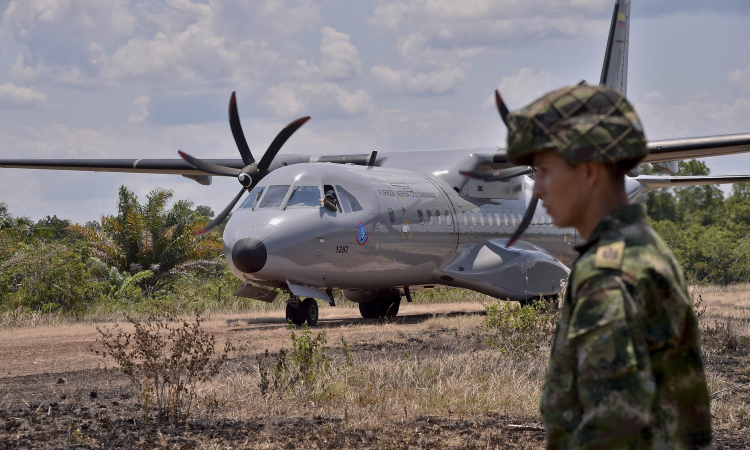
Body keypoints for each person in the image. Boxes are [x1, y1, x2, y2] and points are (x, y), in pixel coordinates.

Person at [505, 84, 712, 449]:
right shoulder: (639, 249)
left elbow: (612, 424)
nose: (536, 189)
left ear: (589, 171)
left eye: (545, 171)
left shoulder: (609, 274)